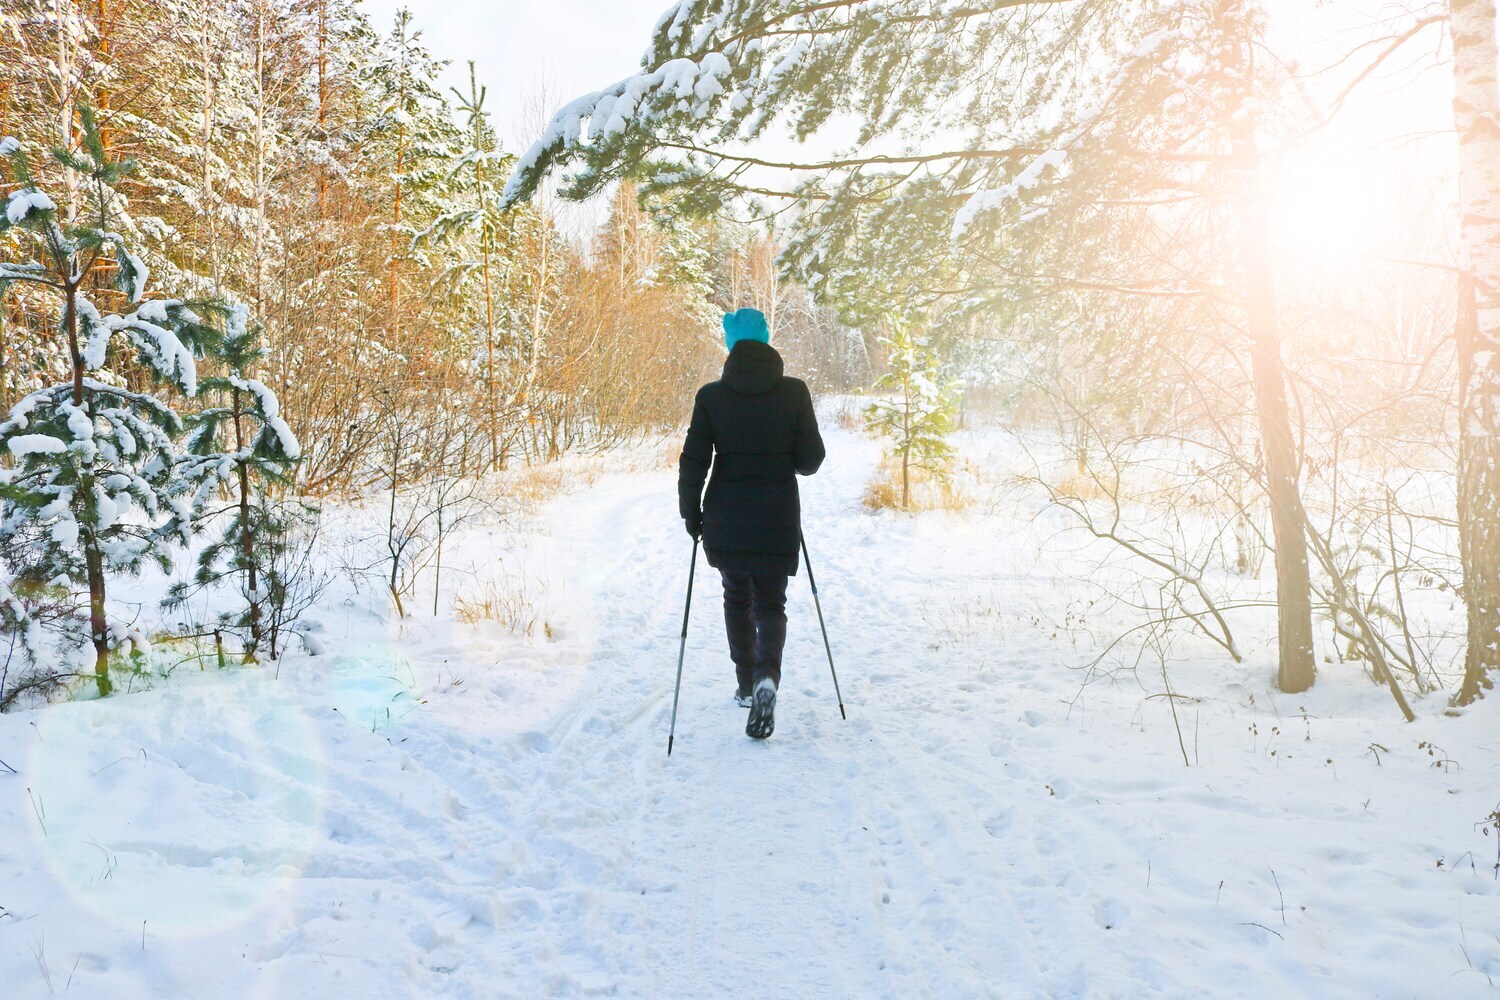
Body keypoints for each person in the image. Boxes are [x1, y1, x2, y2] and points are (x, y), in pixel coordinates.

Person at [679, 307, 826, 740]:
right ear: (765, 340)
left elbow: (694, 461)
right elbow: (810, 462)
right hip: (777, 515)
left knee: (735, 596)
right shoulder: (794, 392)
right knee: (770, 604)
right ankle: (767, 677)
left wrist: (692, 513)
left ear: (730, 346)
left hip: (726, 516)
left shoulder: (711, 396)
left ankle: (746, 683)